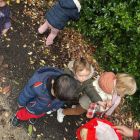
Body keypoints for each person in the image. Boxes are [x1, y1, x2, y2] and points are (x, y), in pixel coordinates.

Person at [57, 59, 137, 122]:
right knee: (78, 111)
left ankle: (69, 106)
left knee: (73, 101)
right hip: (88, 101)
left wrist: (108, 100)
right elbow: (93, 93)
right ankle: (62, 112)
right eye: (125, 92)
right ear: (122, 87)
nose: (124, 94)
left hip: (88, 97)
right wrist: (103, 103)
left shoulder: (111, 81)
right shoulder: (108, 89)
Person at [11, 67, 80, 126]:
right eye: (56, 96)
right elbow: (26, 93)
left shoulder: (64, 92)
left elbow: (60, 102)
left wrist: (55, 108)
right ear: (53, 82)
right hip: (32, 107)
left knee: (39, 114)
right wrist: (21, 102)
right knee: (25, 113)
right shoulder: (38, 84)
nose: (57, 99)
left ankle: (34, 115)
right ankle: (18, 116)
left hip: (45, 108)